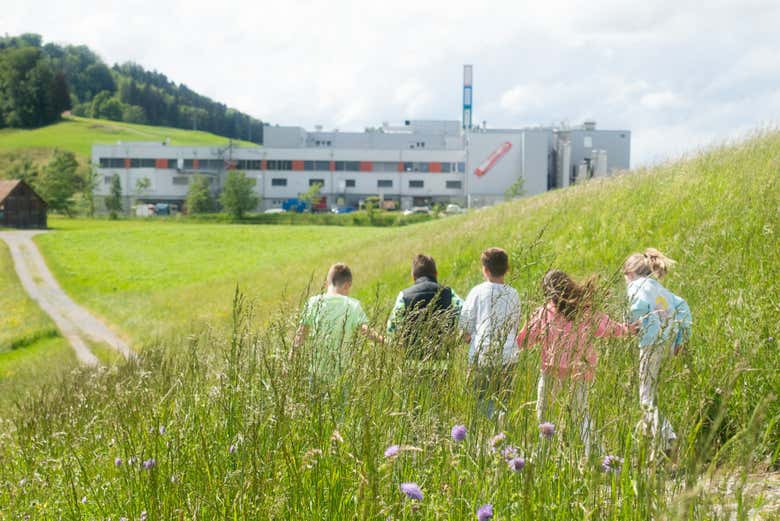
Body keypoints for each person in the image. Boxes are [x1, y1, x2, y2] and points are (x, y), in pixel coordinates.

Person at [517, 269, 632, 455]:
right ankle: (596, 455)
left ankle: (543, 454)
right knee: (581, 414)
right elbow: (608, 328)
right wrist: (627, 329)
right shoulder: (585, 311)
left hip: (551, 371)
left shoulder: (544, 313)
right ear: (569, 284)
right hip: (581, 370)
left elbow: (524, 341)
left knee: (544, 414)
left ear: (547, 293)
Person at [623, 248, 692, 456]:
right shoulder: (660, 289)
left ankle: (667, 436)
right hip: (668, 344)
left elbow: (636, 311)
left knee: (645, 398)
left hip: (650, 343)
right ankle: (651, 451)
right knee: (652, 393)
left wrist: (630, 327)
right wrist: (681, 339)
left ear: (630, 273)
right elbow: (684, 308)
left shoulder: (635, 286)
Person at [295, 263, 383, 381]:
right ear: (347, 285)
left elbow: (300, 335)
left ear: (327, 283)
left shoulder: (313, 302)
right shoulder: (353, 305)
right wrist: (386, 341)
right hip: (342, 375)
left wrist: (291, 359)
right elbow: (366, 331)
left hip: (316, 373)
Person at [460, 247, 521, 417]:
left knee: (481, 400)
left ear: (485, 270)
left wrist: (468, 337)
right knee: (504, 401)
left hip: (482, 355)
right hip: (509, 355)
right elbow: (515, 324)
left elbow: (465, 323)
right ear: (507, 269)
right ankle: (502, 435)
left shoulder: (477, 292)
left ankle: (487, 436)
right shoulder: (513, 294)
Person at [386, 253, 463, 358]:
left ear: (413, 276)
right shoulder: (449, 293)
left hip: (412, 363)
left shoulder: (404, 296)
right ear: (436, 274)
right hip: (443, 362)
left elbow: (391, 329)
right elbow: (466, 316)